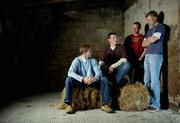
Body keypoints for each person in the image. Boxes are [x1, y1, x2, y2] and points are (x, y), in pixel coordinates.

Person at [64, 44, 113, 114]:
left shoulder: (92, 60)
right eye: (90, 51)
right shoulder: (77, 60)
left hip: (92, 81)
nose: (92, 52)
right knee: (68, 79)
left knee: (104, 79)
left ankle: (105, 104)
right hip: (81, 82)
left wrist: (95, 78)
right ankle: (68, 104)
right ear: (85, 52)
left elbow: (98, 72)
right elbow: (70, 72)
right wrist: (82, 79)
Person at [99, 32, 131, 107]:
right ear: (109, 40)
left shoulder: (121, 47)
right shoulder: (105, 49)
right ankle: (109, 85)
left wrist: (112, 66)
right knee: (101, 66)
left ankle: (114, 84)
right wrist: (107, 68)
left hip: (118, 69)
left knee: (127, 65)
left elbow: (124, 60)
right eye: (113, 38)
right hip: (108, 70)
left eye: (116, 37)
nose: (116, 39)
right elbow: (101, 61)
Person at [142, 10, 165, 110]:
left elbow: (153, 40)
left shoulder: (161, 27)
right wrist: (149, 40)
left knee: (154, 80)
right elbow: (143, 44)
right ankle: (149, 102)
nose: (148, 21)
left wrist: (149, 40)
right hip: (147, 56)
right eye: (146, 20)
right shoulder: (149, 31)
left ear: (155, 17)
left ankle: (156, 105)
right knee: (146, 80)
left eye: (149, 19)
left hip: (156, 56)